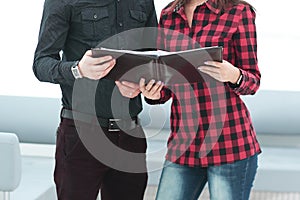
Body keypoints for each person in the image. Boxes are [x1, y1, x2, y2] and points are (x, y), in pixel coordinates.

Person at [32, 0, 157, 199]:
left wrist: (148, 89)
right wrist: (78, 70)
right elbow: (41, 63)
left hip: (130, 136)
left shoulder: (143, 2)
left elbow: (153, 61)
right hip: (81, 135)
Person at [139, 0, 261, 199]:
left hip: (230, 145)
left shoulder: (238, 12)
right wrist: (154, 94)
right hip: (184, 145)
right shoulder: (169, 14)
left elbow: (253, 81)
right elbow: (167, 83)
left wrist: (233, 75)